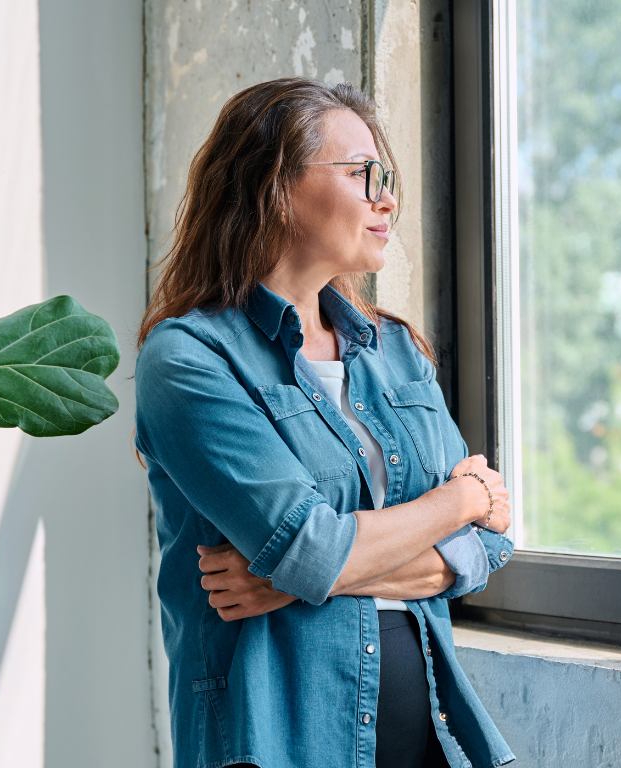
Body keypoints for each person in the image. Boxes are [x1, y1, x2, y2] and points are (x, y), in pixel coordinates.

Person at [134, 78, 516, 768]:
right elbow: (313, 547)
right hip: (279, 744)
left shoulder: (393, 350)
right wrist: (460, 499)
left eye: (388, 176)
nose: (387, 197)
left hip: (432, 738)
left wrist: (291, 580)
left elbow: (487, 551)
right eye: (362, 174)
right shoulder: (190, 360)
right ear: (274, 188)